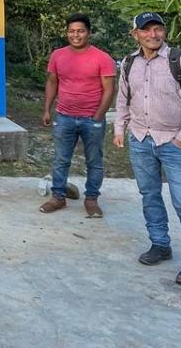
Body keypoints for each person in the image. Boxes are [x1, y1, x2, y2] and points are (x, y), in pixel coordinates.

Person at [114, 11, 181, 286]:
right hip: (140, 140)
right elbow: (123, 99)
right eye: (146, 30)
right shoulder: (129, 63)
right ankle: (160, 244)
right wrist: (120, 128)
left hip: (173, 142)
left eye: (158, 29)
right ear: (136, 34)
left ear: (164, 32)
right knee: (149, 195)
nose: (153, 35)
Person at [39, 13, 116, 217]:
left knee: (94, 161)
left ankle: (91, 200)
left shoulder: (102, 58)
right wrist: (47, 109)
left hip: (92, 119)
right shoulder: (58, 55)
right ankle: (58, 197)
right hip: (64, 116)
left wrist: (99, 115)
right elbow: (52, 82)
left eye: (80, 31)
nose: (76, 35)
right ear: (67, 33)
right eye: (72, 31)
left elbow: (109, 89)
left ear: (89, 33)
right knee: (61, 159)